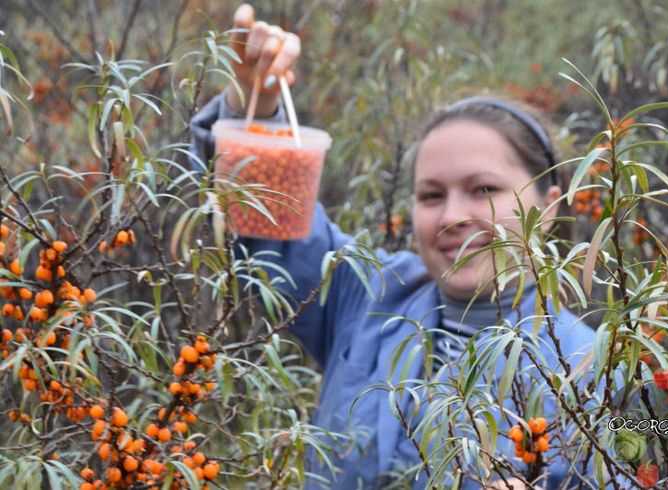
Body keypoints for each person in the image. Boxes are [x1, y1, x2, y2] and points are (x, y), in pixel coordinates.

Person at [190, 4, 604, 489]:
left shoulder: (594, 369)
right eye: (431, 195)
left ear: (548, 205)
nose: (452, 217)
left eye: (484, 190)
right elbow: (270, 226)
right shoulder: (367, 294)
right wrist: (252, 111)